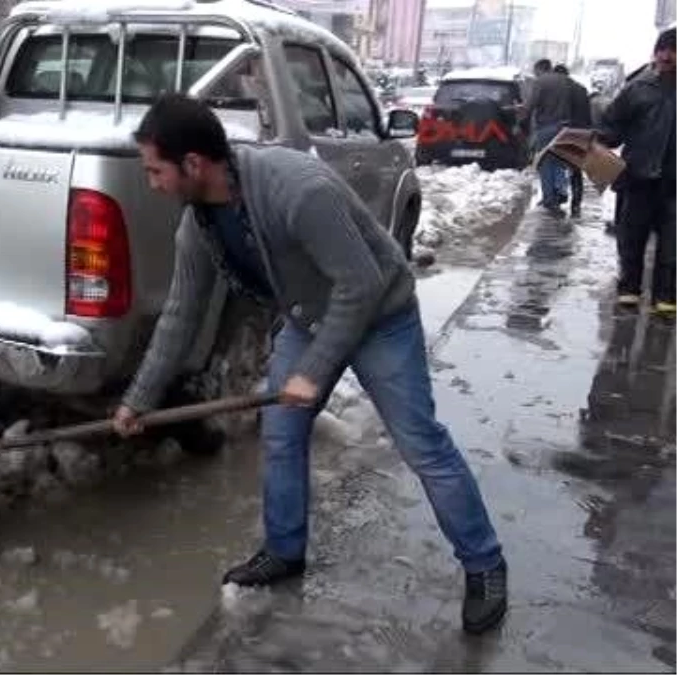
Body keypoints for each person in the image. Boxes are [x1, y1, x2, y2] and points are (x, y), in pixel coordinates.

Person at [112, 94, 508, 635]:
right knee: (281, 433)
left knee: (421, 443)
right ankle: (284, 549)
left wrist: (313, 370)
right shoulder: (200, 224)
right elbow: (180, 316)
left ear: (193, 164)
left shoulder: (296, 189)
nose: (152, 182)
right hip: (309, 317)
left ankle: (485, 565)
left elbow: (362, 283)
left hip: (380, 317)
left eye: (155, 170)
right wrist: (139, 398)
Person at [597, 28, 677, 314]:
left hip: (674, 183)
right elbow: (612, 125)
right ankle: (629, 289)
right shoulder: (637, 88)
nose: (667, 56)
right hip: (638, 177)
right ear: (655, 53)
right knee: (632, 237)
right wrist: (597, 141)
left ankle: (666, 297)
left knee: (672, 245)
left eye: (674, 50)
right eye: (663, 49)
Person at [522, 58, 573, 216]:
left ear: (540, 69)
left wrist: (521, 119)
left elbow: (530, 105)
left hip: (547, 126)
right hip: (564, 126)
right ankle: (561, 190)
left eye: (535, 71)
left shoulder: (541, 81)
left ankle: (549, 199)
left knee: (544, 162)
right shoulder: (566, 81)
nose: (535, 74)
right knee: (558, 161)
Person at [554, 64, 593, 217]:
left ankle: (559, 197)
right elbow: (587, 115)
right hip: (581, 133)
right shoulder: (581, 89)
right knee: (575, 170)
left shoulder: (562, 90)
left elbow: (560, 113)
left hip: (565, 131)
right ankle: (576, 205)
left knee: (558, 167)